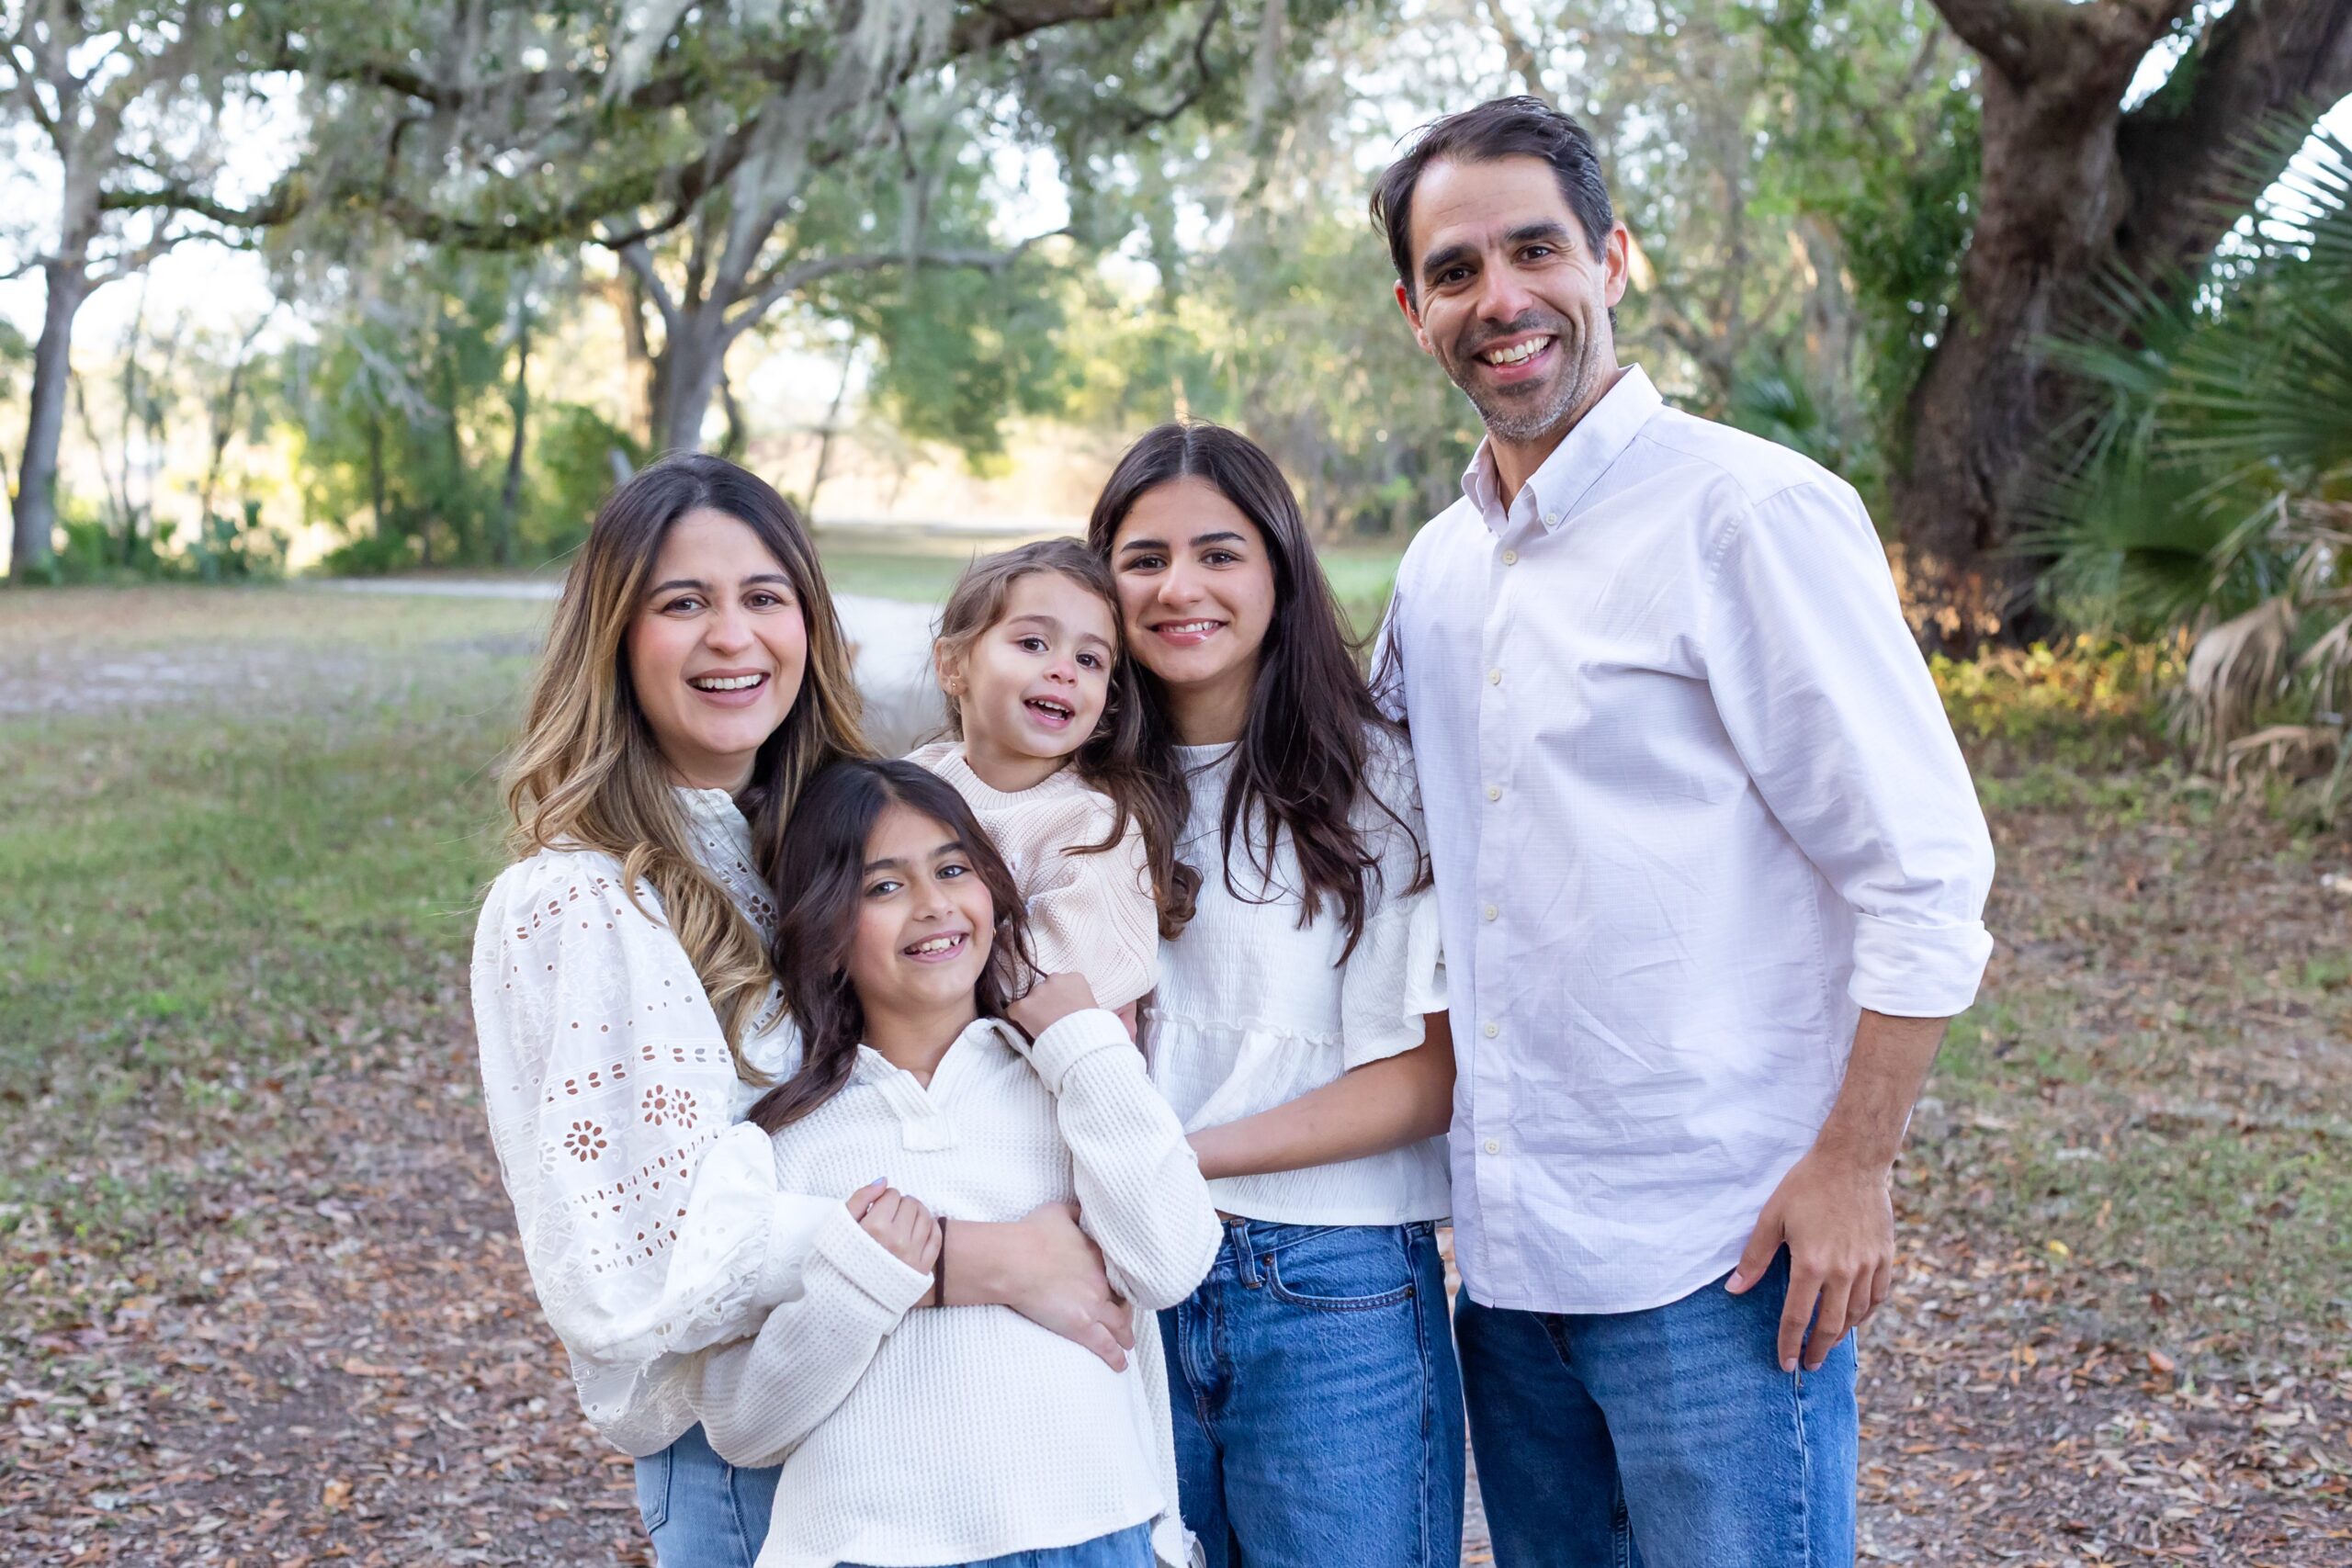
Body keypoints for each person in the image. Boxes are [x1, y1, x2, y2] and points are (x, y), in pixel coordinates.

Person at [1368, 96, 1997, 1567]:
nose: (1500, 299)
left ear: (1613, 259)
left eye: (1536, 250)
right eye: (1455, 270)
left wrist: (1856, 1165)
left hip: (1719, 1256)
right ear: (1414, 311)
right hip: (1510, 1268)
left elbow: (1924, 868)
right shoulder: (1440, 568)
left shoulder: (1749, 513)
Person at [469, 455, 1146, 1568]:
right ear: (613, 639)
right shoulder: (579, 899)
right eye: (682, 603)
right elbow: (638, 1263)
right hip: (751, 1464)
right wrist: (980, 1260)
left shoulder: (835, 838)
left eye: (764, 598)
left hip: (930, 1428)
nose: (733, 637)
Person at [685, 758, 1220, 1568]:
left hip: (1095, 1537)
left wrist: (1085, 1042)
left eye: (952, 868)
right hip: (868, 1551)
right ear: (825, 927)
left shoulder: (1065, 1082)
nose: (934, 904)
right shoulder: (782, 1135)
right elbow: (743, 1426)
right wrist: (862, 1281)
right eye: (883, 887)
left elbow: (1173, 1262)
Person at [1088, 423, 1464, 1568]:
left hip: (1328, 1288)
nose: (1178, 588)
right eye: (1142, 558)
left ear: (1279, 571)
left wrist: (1170, 1157)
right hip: (1118, 1277)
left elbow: (1421, 1080)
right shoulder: (1076, 789)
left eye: (1218, 552)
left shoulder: (1380, 778)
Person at [910, 540, 1194, 1031]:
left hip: (1027, 1074)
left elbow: (1047, 986)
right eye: (1033, 644)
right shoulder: (912, 783)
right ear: (953, 666)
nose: (1063, 670)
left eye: (1089, 660)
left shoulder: (1092, 824)